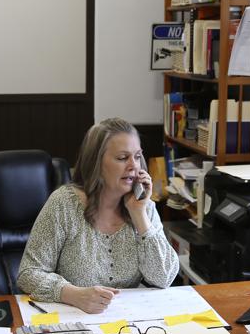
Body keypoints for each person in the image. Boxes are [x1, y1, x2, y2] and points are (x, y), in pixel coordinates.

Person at [17, 117, 179, 312]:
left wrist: (139, 215)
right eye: (122, 158)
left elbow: (164, 277)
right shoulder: (64, 204)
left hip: (130, 323)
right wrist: (74, 295)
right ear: (96, 162)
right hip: (74, 320)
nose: (134, 166)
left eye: (137, 157)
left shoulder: (143, 205)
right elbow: (29, 273)